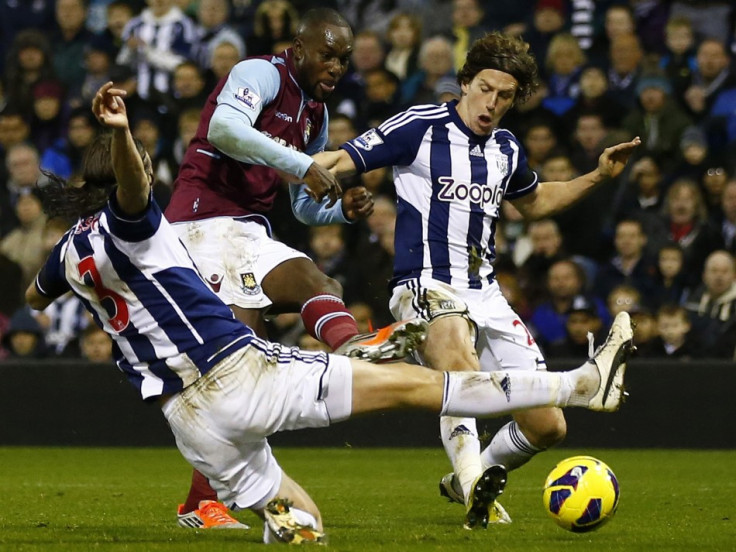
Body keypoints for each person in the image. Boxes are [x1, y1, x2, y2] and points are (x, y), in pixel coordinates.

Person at [25, 81, 635, 542]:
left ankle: (282, 515)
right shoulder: (135, 223)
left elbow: (34, 296)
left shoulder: (69, 252)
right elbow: (132, 190)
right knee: (424, 387)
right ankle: (580, 383)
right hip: (242, 375)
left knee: (302, 523)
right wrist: (122, 132)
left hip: (188, 420)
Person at [312, 31, 641, 527]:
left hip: (485, 293)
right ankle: (472, 484)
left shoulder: (506, 148)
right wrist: (282, 162)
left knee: (548, 425)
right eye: (484, 88)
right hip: (425, 285)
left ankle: (476, 472)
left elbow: (535, 204)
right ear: (464, 83)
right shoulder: (418, 126)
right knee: (457, 361)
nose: (492, 102)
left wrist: (595, 177)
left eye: (505, 96)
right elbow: (341, 160)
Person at [163, 8, 422, 527]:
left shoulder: (315, 114)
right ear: (298, 48)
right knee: (237, 374)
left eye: (344, 58)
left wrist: (336, 210)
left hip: (247, 230)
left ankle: (352, 351)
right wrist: (303, 164)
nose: (336, 66)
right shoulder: (261, 73)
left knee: (315, 282)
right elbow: (224, 128)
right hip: (200, 220)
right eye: (327, 54)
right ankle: (203, 501)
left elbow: (303, 203)